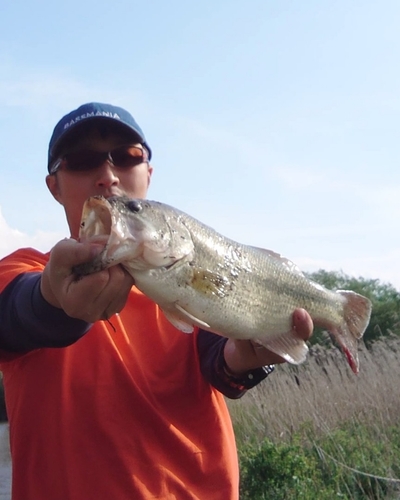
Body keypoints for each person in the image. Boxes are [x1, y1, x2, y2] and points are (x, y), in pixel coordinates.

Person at [0, 102, 313, 500]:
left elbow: (220, 363)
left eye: (127, 157)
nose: (107, 177)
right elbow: (14, 315)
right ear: (54, 187)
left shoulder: (185, 270)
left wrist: (247, 357)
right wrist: (53, 300)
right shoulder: (23, 270)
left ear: (148, 173)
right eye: (80, 161)